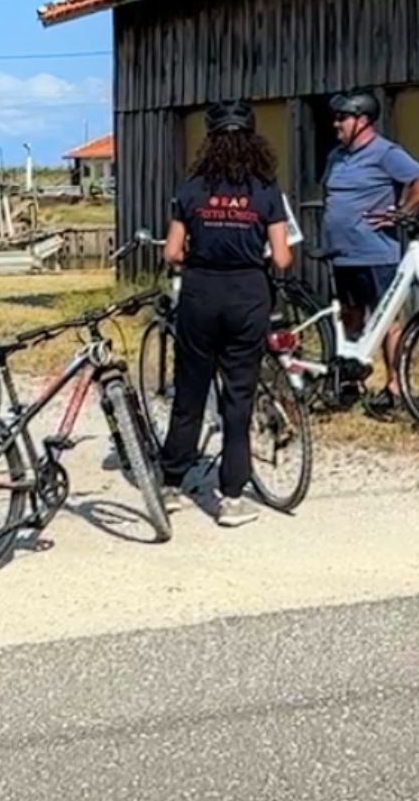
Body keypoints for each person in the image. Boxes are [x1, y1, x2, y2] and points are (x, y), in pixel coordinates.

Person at [159, 100, 293, 528]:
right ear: (253, 140)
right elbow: (284, 257)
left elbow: (172, 252)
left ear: (210, 140)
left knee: (190, 391)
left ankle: (171, 484)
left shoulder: (192, 189)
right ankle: (231, 498)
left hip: (201, 293)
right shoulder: (266, 191)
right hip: (248, 296)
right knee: (239, 398)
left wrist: (199, 257)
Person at [320, 90, 419, 415]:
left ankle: (395, 388)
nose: (336, 124)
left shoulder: (386, 152)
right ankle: (351, 380)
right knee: (350, 316)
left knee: (387, 320)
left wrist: (403, 211)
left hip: (375, 252)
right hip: (342, 253)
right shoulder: (336, 156)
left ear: (363, 120)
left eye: (342, 117)